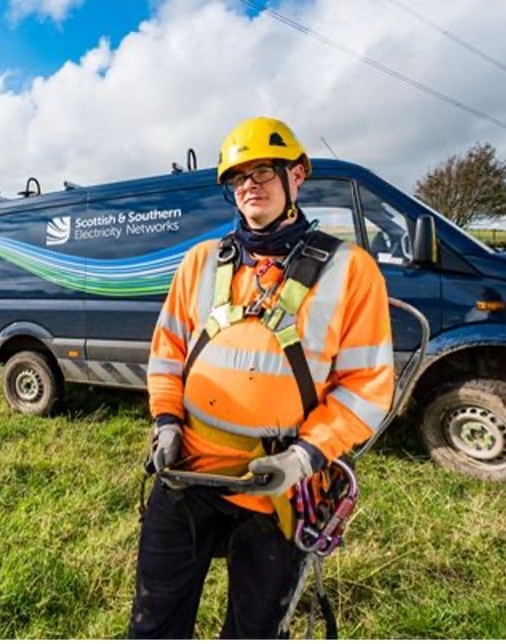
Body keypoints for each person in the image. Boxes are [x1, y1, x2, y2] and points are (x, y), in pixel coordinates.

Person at [128, 116, 395, 638]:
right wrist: (165, 422)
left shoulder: (350, 269)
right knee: (154, 622)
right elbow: (167, 354)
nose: (250, 184)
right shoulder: (201, 262)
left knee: (254, 630)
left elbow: (366, 386)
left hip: (279, 486)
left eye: (264, 172)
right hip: (187, 473)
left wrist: (304, 457)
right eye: (239, 177)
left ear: (296, 177)